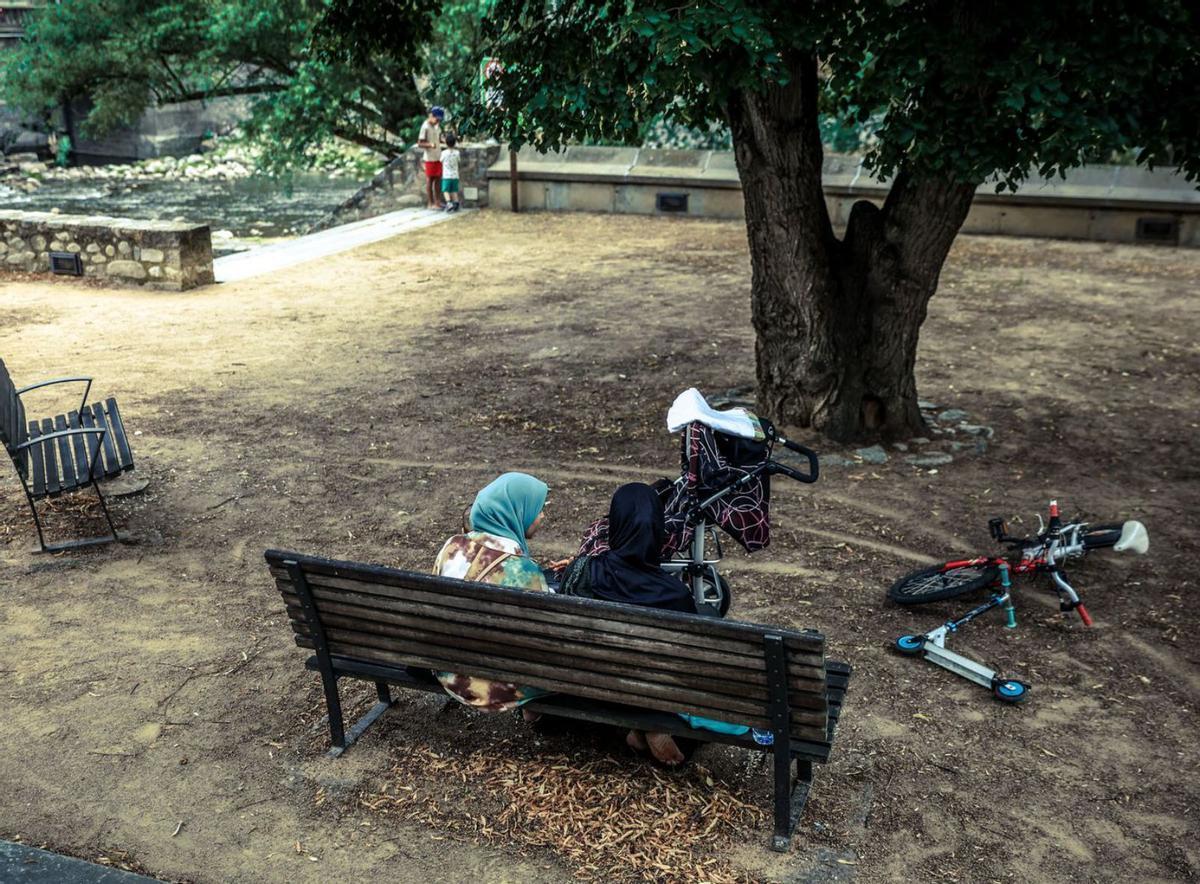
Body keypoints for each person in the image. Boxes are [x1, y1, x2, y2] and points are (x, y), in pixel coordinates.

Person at [560, 482, 739, 765]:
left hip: (588, 679)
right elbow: (690, 662)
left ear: (614, 525)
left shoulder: (582, 570)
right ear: (659, 529)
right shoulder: (676, 594)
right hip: (651, 690)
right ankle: (651, 721)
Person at [433, 472, 550, 714]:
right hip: (490, 686)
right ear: (516, 512)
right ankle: (535, 714)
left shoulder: (452, 546)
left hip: (446, 669)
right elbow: (540, 637)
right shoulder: (522, 570)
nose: (542, 516)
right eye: (537, 509)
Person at [417, 106, 446, 209]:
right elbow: (420, 143)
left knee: (438, 179)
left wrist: (443, 141)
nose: (437, 121)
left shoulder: (437, 126)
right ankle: (430, 203)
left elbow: (439, 138)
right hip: (429, 157)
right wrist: (430, 145)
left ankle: (438, 202)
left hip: (438, 156)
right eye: (436, 119)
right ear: (431, 116)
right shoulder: (425, 127)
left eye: (439, 120)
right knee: (430, 180)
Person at [440, 132, 462, 213]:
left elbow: (441, 160)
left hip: (446, 175)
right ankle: (456, 203)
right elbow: (459, 161)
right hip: (455, 175)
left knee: (446, 190)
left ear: (446, 143)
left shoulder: (444, 153)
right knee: (454, 190)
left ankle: (449, 203)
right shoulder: (457, 153)